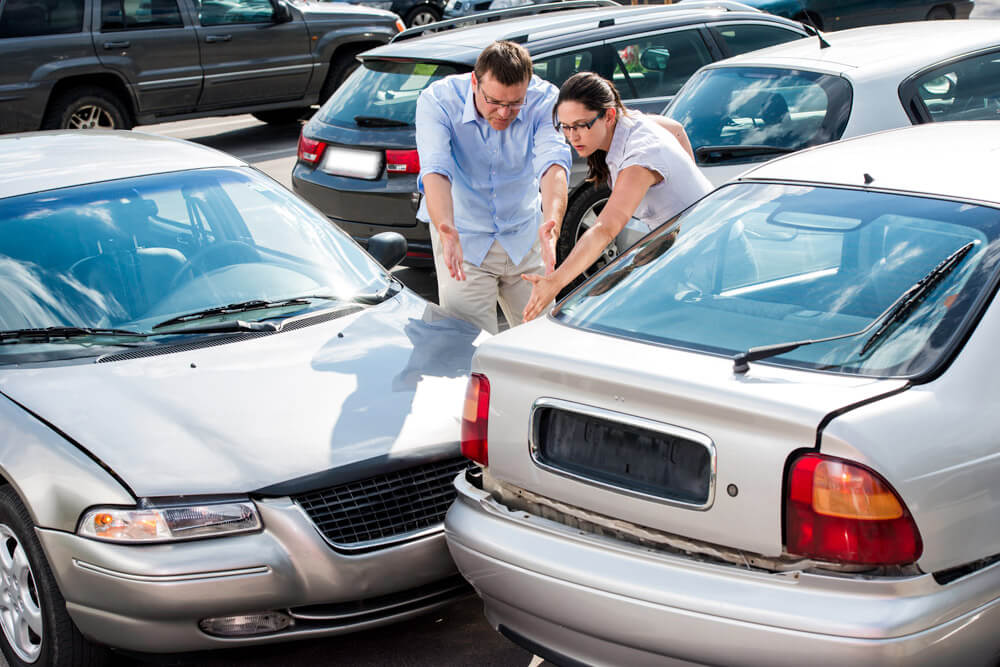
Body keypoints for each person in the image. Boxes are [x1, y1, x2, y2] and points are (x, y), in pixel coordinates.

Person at [521, 71, 712, 321]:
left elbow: (605, 229)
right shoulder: (629, 121)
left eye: (581, 126)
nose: (572, 136)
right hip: (684, 249)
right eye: (565, 127)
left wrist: (554, 282)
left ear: (608, 116)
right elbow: (676, 130)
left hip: (709, 260)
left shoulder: (641, 156)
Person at [415, 40, 572, 334]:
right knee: (469, 352)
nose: (503, 113)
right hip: (463, 242)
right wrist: (445, 228)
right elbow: (435, 169)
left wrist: (552, 224)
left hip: (524, 237)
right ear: (475, 82)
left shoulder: (544, 98)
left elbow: (553, 164)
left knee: (541, 341)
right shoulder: (437, 100)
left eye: (515, 103)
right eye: (495, 102)